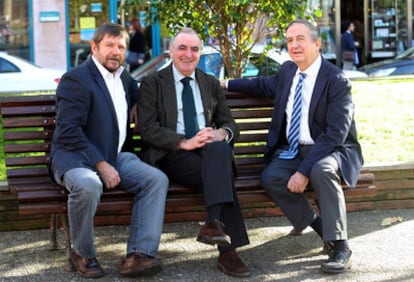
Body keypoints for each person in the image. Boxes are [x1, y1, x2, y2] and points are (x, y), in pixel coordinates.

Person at [221, 19, 363, 274]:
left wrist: (303, 171)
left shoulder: (336, 80)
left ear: (317, 44)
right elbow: (260, 84)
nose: (294, 45)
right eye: (289, 40)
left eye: (300, 39)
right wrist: (225, 84)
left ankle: (341, 246)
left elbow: (335, 135)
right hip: (294, 149)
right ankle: (322, 229)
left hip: (330, 149)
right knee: (272, 177)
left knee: (322, 171)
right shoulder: (288, 72)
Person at [49, 22, 169, 279]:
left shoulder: (123, 77)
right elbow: (68, 132)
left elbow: (137, 95)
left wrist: (139, 105)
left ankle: (139, 254)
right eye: (109, 46)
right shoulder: (76, 79)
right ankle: (81, 252)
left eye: (121, 47)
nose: (115, 51)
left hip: (114, 155)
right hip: (75, 159)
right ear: (94, 47)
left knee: (155, 179)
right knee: (89, 185)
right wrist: (101, 164)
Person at [137, 27, 250, 278]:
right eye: (182, 48)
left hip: (210, 153)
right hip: (172, 154)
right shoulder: (153, 83)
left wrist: (221, 133)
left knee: (219, 149)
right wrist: (183, 142)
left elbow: (229, 123)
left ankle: (213, 225)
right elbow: (146, 128)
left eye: (195, 49)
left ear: (200, 53)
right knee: (222, 176)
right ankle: (228, 252)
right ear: (171, 51)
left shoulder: (209, 83)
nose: (188, 54)